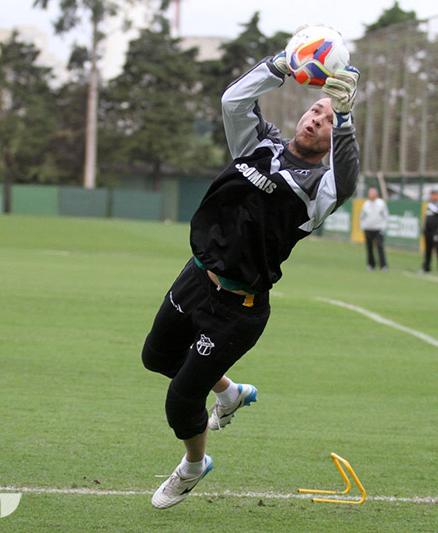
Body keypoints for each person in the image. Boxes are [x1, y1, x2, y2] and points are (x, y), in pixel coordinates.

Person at [140, 48, 360, 509]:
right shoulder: (259, 144)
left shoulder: (316, 189)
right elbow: (234, 102)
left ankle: (193, 467)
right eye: (315, 109)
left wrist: (345, 118)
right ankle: (232, 392)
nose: (316, 119)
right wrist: (281, 63)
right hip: (195, 279)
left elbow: (345, 182)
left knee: (181, 401)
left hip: (236, 312)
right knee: (157, 358)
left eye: (325, 119)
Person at [359, 187, 389, 271]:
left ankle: (383, 265)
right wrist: (362, 226)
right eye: (369, 193)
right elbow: (362, 216)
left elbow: (385, 216)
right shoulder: (366, 204)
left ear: (376, 194)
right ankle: (371, 265)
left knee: (380, 246)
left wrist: (383, 227)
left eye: (372, 193)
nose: (370, 195)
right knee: (369, 247)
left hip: (378, 228)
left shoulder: (381, 203)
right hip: (368, 228)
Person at [422, 189, 438, 274]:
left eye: (435, 194)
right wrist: (424, 228)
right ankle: (426, 268)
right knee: (428, 250)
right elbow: (426, 217)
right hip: (428, 231)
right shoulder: (430, 204)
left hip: (436, 231)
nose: (433, 196)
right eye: (432, 195)